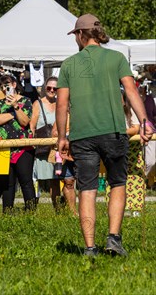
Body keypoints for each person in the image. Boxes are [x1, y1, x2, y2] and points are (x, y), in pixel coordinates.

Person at [57, 13, 153, 257]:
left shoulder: (68, 64)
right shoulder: (116, 58)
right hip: (113, 132)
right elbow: (131, 90)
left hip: (82, 135)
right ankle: (113, 239)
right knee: (117, 184)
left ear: (80, 35)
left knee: (87, 189)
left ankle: (90, 247)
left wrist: (61, 137)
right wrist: (144, 122)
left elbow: (61, 104)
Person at [0, 74, 35, 212]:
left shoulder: (26, 101)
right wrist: (12, 115)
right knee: (8, 184)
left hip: (23, 148)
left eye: (7, 85)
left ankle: (31, 212)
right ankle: (7, 212)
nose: (5, 88)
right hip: (5, 149)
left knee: (26, 181)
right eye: (2, 86)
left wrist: (15, 107)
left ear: (14, 85)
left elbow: (25, 122)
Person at [30, 76, 61, 210]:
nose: (52, 90)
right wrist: (33, 143)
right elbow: (32, 126)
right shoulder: (38, 104)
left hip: (56, 149)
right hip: (42, 148)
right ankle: (32, 209)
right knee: (37, 181)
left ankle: (58, 209)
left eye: (55, 88)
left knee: (55, 180)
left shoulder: (61, 104)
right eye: (49, 88)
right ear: (45, 88)